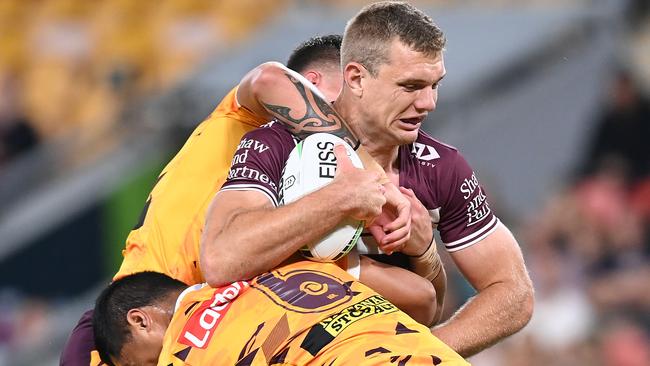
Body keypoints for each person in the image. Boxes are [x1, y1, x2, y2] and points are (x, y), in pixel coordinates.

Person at [60, 34, 439, 366]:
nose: (354, 120)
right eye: (345, 104)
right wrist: (361, 169)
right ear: (312, 84)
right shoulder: (248, 125)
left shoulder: (313, 220)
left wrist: (423, 251)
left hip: (218, 340)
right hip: (134, 327)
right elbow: (269, 79)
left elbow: (422, 305)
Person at [201, 1, 533, 357]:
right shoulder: (277, 143)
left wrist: (417, 356)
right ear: (356, 78)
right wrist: (342, 198)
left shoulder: (441, 167)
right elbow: (220, 260)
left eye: (435, 85)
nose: (429, 102)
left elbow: (513, 293)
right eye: (411, 86)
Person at [92, 262, 468, 365]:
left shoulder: (181, 355)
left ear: (140, 320)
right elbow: (424, 299)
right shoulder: (283, 259)